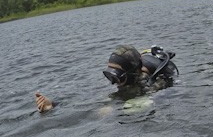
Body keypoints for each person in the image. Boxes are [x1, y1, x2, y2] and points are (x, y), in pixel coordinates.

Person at [35, 45, 179, 113]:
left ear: (131, 75)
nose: (112, 82)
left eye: (116, 77)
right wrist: (54, 105)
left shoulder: (152, 85)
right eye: (109, 75)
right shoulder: (128, 80)